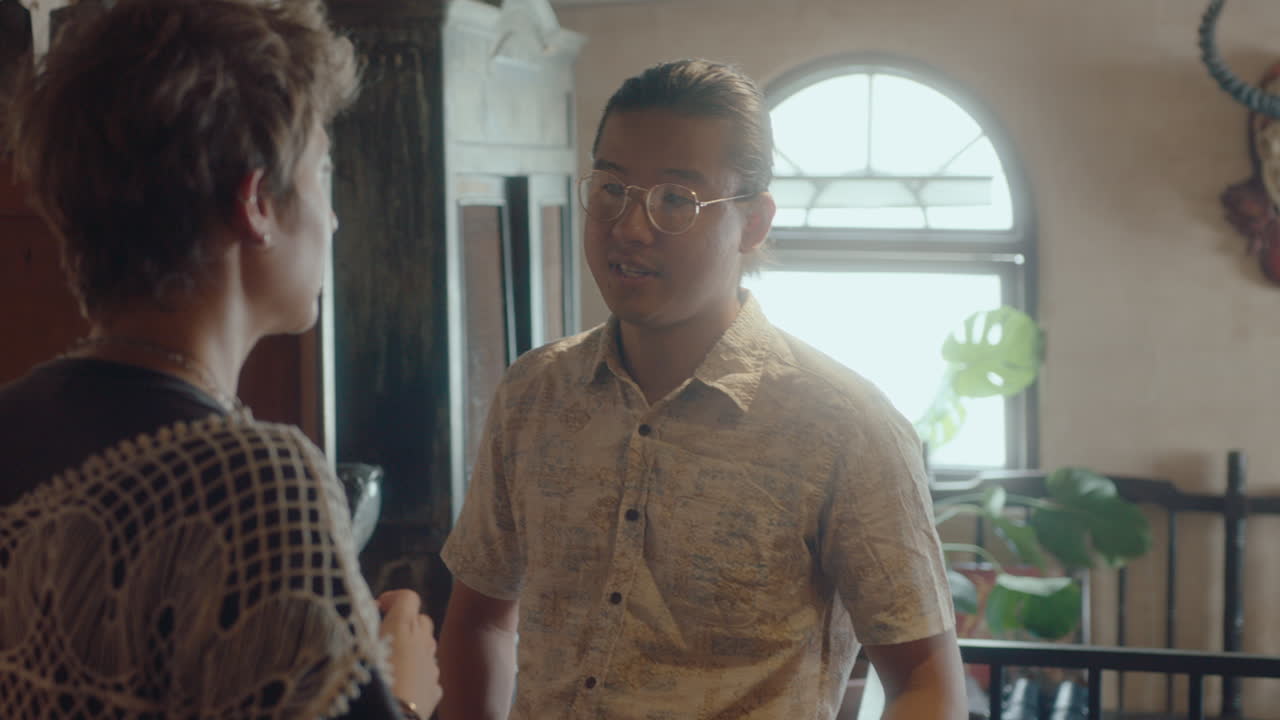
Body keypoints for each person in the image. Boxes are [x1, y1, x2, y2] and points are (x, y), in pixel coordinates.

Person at [437, 58, 967, 720]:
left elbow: (926, 681)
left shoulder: (844, 425)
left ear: (753, 222)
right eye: (611, 188)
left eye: (676, 200)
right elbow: (480, 619)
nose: (629, 227)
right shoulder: (535, 393)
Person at [0, 0, 441, 717]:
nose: (333, 217)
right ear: (257, 202)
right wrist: (402, 691)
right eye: (324, 170)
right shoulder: (259, 484)